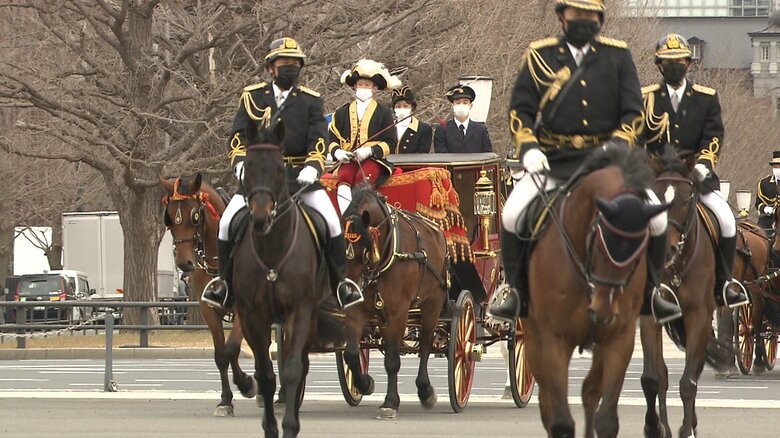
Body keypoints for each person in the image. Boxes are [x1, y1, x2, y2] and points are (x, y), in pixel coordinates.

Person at [488, 0, 680, 323]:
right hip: (553, 161)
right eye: (577, 14)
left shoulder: (617, 55)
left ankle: (653, 292)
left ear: (600, 19)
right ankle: (515, 290)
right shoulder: (539, 55)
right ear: (562, 16)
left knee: (658, 220)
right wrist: (529, 149)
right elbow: (520, 110)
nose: (584, 21)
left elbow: (633, 113)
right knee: (511, 215)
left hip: (608, 164)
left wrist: (617, 144)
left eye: (590, 15)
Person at [202, 37, 363, 310]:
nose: (290, 68)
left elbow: (318, 138)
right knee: (227, 222)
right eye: (284, 63)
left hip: (301, 178)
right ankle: (224, 284)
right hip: (260, 179)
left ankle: (340, 285)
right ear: (271, 68)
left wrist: (313, 166)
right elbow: (238, 136)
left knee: (333, 222)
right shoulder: (252, 96)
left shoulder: (311, 100)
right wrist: (241, 163)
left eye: (294, 64)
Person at [642, 33, 748, 309]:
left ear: (689, 65)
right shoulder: (646, 99)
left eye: (679, 61)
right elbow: (635, 140)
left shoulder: (706, 98)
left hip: (695, 179)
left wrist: (703, 165)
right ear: (659, 66)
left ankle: (724, 284)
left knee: (726, 219)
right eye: (668, 62)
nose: (674, 66)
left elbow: (713, 136)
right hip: (657, 182)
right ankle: (632, 284)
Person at [329, 59, 400, 214]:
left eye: (367, 85)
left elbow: (391, 143)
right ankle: (345, 216)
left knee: (363, 179)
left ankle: (361, 218)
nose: (363, 88)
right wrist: (338, 152)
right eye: (360, 84)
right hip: (349, 159)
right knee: (344, 178)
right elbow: (332, 139)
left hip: (374, 160)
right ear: (354, 86)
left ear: (374, 87)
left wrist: (370, 151)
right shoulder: (341, 113)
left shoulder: (384, 112)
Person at [433, 85, 493, 153]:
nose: (461, 105)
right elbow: (441, 155)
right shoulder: (442, 130)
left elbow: (487, 154)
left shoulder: (481, 130)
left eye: (465, 102)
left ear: (470, 106)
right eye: (458, 103)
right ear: (452, 106)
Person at [391, 86, 432, 154]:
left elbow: (422, 154)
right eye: (398, 106)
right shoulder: (388, 128)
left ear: (412, 108)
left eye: (405, 106)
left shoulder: (423, 129)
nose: (402, 109)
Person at [755, 151, 780, 231]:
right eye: (775, 167)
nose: (777, 169)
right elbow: (758, 203)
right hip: (767, 222)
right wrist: (765, 208)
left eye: (779, 166)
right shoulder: (764, 183)